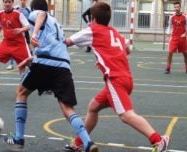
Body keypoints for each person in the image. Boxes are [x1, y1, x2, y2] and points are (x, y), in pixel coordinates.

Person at [63, 2, 169, 152]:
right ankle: (79, 143)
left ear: (92, 18)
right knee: (93, 107)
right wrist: (107, 58)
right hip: (126, 78)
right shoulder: (114, 32)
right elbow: (127, 49)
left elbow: (67, 42)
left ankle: (158, 140)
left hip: (115, 79)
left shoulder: (92, 30)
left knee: (126, 115)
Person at [3, 0, 98, 152]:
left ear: (34, 9)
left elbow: (41, 14)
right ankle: (87, 142)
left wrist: (33, 33)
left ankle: (19, 137)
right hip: (63, 66)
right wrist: (29, 59)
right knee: (67, 108)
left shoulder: (38, 13)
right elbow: (52, 47)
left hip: (43, 64)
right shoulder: (57, 24)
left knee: (21, 93)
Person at [0, 0, 30, 93]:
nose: (7, 4)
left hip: (19, 44)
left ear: (12, 3)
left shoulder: (18, 14)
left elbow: (28, 26)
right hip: (6, 43)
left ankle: (44, 84)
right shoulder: (0, 14)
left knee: (27, 65)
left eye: (9, 2)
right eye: (5, 2)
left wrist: (21, 29)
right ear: (3, 3)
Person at [165, 2, 187, 74]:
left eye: (177, 7)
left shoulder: (186, 16)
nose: (176, 8)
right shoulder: (172, 17)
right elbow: (169, 27)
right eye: (175, 7)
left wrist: (185, 34)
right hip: (174, 37)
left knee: (185, 53)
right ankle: (168, 68)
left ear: (180, 7)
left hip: (182, 38)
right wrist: (168, 35)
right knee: (170, 53)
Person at [6, 0, 32, 70]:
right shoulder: (16, 8)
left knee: (28, 47)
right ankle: (11, 64)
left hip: (25, 30)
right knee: (12, 47)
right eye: (21, 0)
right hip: (17, 30)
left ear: (26, 1)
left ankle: (31, 63)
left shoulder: (29, 9)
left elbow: (31, 20)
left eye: (24, 0)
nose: (22, 1)